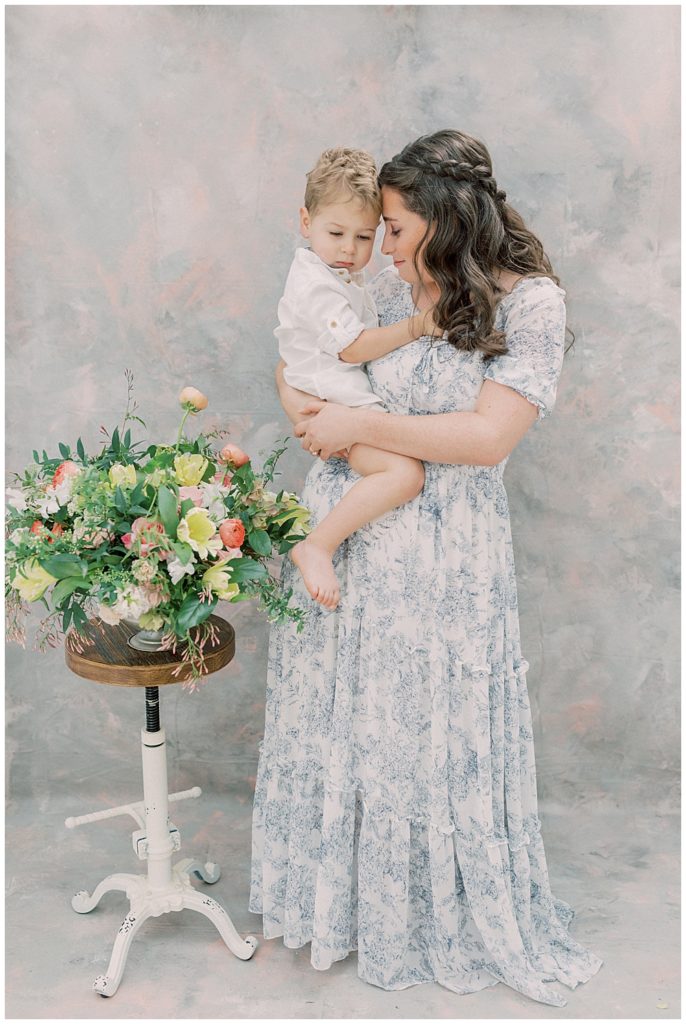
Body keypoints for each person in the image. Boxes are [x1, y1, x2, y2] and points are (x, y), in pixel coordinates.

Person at [249, 129, 603, 1008]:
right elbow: (310, 356)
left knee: (425, 734)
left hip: (445, 560)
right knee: (350, 728)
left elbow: (487, 439)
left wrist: (357, 432)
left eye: (399, 227)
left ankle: (431, 916)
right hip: (351, 531)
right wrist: (304, 410)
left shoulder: (532, 305)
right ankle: (349, 909)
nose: (385, 244)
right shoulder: (394, 283)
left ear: (446, 217)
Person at [276, 147, 439, 610]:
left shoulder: (339, 274)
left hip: (339, 402)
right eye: (336, 233)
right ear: (306, 222)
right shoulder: (316, 284)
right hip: (337, 404)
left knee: (402, 468)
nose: (350, 249)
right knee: (404, 472)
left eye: (365, 236)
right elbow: (350, 347)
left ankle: (321, 545)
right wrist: (416, 327)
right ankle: (318, 545)